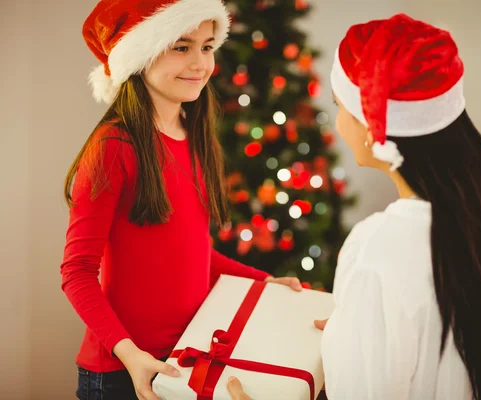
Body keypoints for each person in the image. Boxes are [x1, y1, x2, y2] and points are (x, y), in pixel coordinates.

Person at [227, 13, 481, 400]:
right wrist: (357, 330)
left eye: (339, 106)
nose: (337, 124)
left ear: (372, 127)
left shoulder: (379, 249)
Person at [60, 1, 302, 399]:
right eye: (181, 46)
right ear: (140, 54)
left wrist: (264, 283)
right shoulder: (113, 147)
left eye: (207, 47)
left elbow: (191, 254)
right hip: (122, 372)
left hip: (184, 361)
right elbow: (77, 272)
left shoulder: (195, 135)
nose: (200, 64)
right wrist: (130, 354)